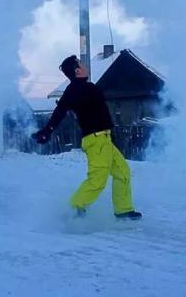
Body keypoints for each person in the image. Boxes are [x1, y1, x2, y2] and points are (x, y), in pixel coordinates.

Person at [32, 55, 142, 220]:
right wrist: (47, 130)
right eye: (81, 64)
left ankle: (123, 210)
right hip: (96, 140)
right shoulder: (80, 89)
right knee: (97, 180)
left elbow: (60, 112)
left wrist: (47, 131)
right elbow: (60, 112)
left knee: (122, 172)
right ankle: (74, 209)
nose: (85, 65)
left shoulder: (78, 89)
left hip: (103, 139)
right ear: (77, 71)